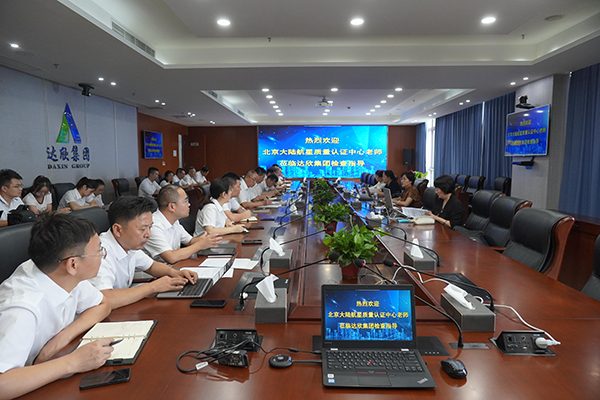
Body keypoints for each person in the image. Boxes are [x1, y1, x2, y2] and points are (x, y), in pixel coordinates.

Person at [0, 213, 113, 399]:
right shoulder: (22, 308)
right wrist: (73, 362)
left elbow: (102, 304)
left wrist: (60, 340)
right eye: (98, 250)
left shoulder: (62, 274)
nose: (102, 255)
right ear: (73, 264)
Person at [88, 196, 198, 309]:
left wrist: (174, 273)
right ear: (118, 230)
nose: (148, 235)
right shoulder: (100, 253)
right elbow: (104, 298)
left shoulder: (128, 243)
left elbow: (151, 266)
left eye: (150, 227)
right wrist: (153, 287)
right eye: (142, 229)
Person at [142, 185, 221, 264]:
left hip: (173, 266)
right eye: (185, 201)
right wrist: (200, 245)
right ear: (172, 206)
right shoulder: (153, 225)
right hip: (157, 271)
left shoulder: (174, 221)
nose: (189, 204)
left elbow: (190, 241)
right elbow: (171, 257)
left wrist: (208, 240)